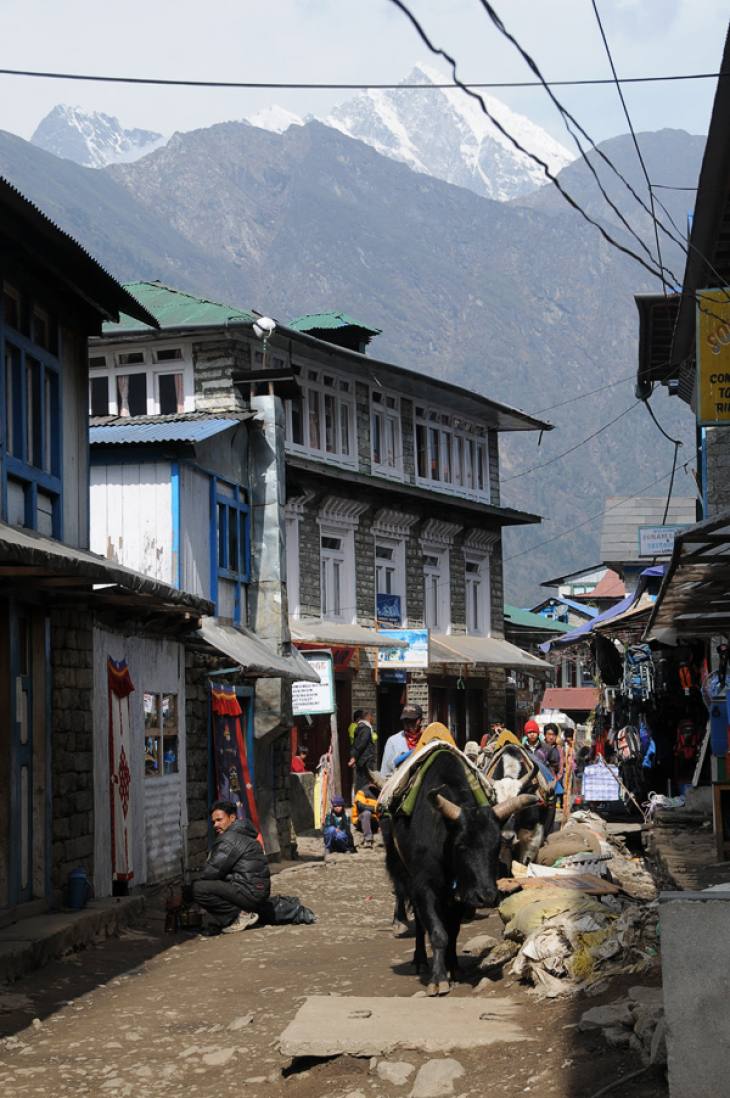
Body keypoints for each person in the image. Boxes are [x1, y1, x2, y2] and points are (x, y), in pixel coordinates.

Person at [192, 801, 270, 934]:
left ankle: (239, 916)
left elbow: (211, 872)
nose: (215, 825)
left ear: (232, 818)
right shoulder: (244, 834)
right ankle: (231, 917)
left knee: (199, 888)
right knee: (214, 884)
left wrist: (186, 891)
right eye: (213, 822)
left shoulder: (230, 838)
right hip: (257, 892)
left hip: (249, 893)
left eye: (219, 820)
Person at [380, 704, 423, 777]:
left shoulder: (427, 739)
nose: (408, 724)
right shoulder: (393, 741)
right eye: (405, 721)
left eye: (412, 721)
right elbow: (385, 772)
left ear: (420, 720)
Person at [349, 708, 376, 793]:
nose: (374, 720)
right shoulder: (366, 729)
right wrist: (353, 757)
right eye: (373, 717)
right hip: (365, 760)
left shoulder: (361, 727)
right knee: (363, 783)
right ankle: (360, 801)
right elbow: (361, 744)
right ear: (369, 717)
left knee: (361, 782)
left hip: (362, 760)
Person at [352, 782, 380, 847]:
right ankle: (368, 840)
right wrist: (375, 808)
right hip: (360, 820)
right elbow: (361, 806)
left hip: (375, 820)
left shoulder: (380, 793)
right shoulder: (361, 792)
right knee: (367, 813)